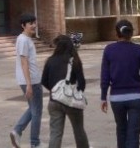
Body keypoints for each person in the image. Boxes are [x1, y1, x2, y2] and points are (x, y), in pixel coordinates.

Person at [100, 19, 140, 148]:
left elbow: (105, 76)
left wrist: (103, 97)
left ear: (116, 33)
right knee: (133, 133)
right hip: (136, 97)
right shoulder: (139, 50)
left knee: (121, 130)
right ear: (131, 33)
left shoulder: (109, 50)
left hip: (117, 98)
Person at [41, 35, 89, 148]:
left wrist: (56, 91)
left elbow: (44, 81)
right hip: (71, 101)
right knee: (79, 130)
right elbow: (82, 83)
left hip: (54, 101)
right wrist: (76, 92)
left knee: (55, 133)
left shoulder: (50, 60)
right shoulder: (75, 60)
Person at [10, 13, 42, 148]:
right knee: (37, 111)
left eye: (34, 22)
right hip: (31, 81)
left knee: (33, 109)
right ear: (23, 26)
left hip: (31, 79)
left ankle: (17, 131)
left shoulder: (26, 39)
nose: (33, 25)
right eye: (30, 23)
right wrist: (29, 84)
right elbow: (24, 62)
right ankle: (34, 143)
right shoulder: (23, 40)